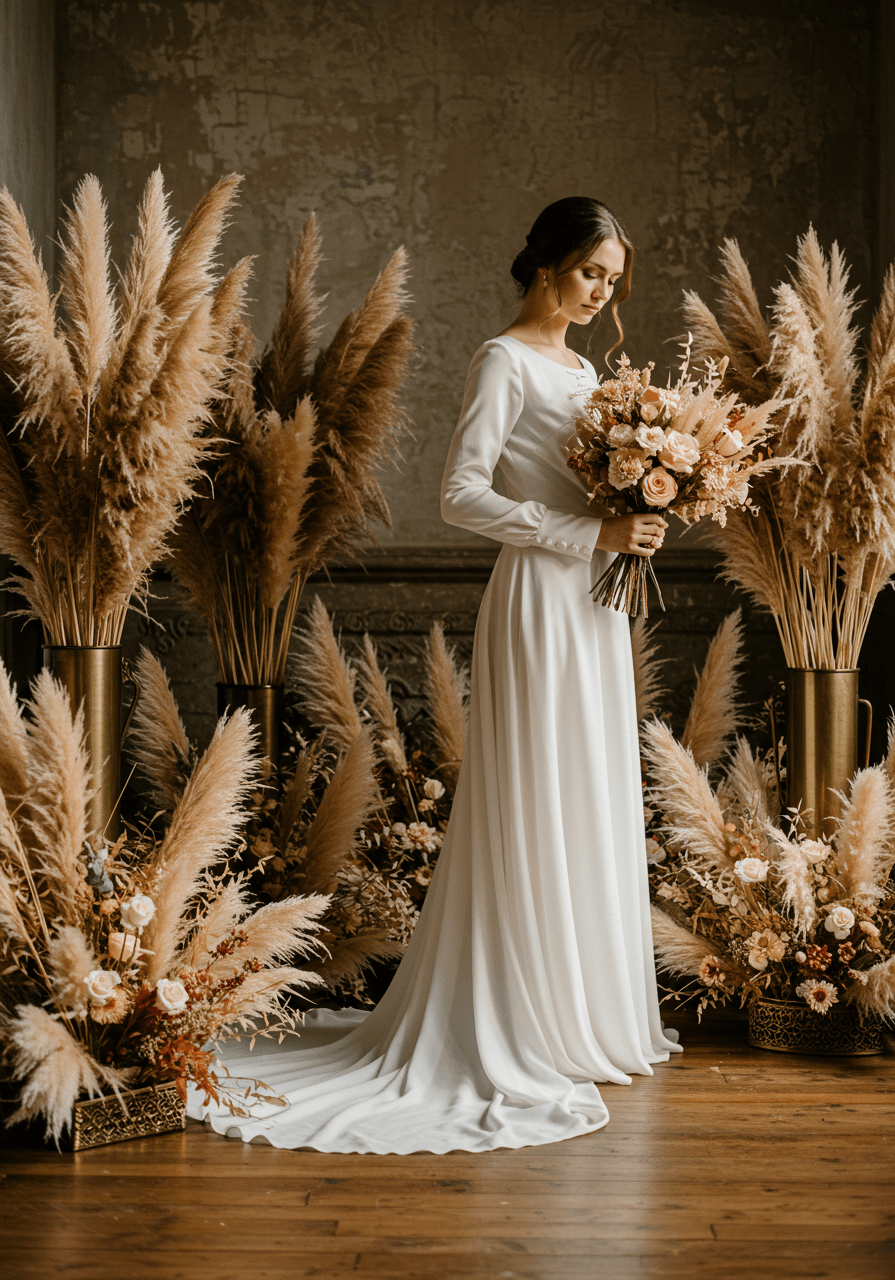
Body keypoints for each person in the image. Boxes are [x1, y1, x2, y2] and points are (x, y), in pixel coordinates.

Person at [187, 196, 682, 1154]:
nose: (602, 293)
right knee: (535, 794)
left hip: (596, 610)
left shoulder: (587, 370)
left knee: (592, 791)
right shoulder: (504, 360)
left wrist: (640, 519)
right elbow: (462, 494)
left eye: (615, 281)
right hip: (539, 601)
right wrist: (590, 532)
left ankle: (592, 1016)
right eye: (592, 273)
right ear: (546, 264)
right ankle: (523, 1019)